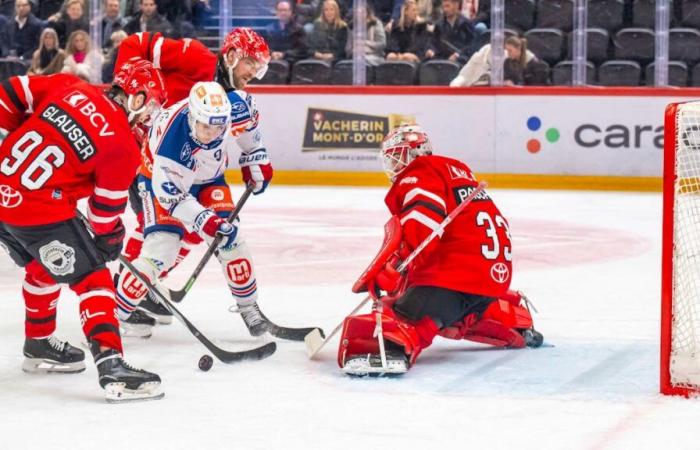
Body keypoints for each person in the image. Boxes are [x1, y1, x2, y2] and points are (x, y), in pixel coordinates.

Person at [0, 60, 168, 401]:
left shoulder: (70, 85)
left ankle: (39, 342)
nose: (150, 116)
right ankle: (112, 366)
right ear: (134, 98)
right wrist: (109, 240)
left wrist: (9, 136)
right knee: (93, 278)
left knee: (44, 264)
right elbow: (103, 214)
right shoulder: (122, 143)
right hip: (37, 209)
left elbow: (10, 91)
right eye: (150, 105)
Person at [338, 124, 543, 376]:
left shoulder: (421, 172)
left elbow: (422, 224)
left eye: (395, 155)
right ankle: (511, 319)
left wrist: (396, 268)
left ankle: (392, 346)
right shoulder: (456, 171)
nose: (392, 164)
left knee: (397, 311)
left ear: (410, 154)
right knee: (462, 309)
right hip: (490, 280)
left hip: (454, 278)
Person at [113, 28, 274, 337]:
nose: (254, 71)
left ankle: (144, 288)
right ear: (232, 55)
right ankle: (123, 292)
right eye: (251, 62)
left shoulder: (234, 100)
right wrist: (135, 91)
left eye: (259, 65)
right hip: (153, 156)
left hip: (203, 171)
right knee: (160, 239)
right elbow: (134, 45)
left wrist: (256, 158)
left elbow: (247, 130)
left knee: (212, 234)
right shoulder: (196, 57)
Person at [449, 36, 543, 87]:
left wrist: (511, 85)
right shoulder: (482, 54)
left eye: (510, 50)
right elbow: (466, 74)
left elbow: (519, 82)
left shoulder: (509, 60)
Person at [265, 0, 308, 66]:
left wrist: (284, 54)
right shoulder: (268, 29)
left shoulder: (298, 29)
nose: (283, 13)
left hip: (291, 63)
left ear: (291, 12)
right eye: (280, 10)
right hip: (272, 63)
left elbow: (302, 49)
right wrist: (272, 53)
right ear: (276, 12)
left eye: (285, 10)